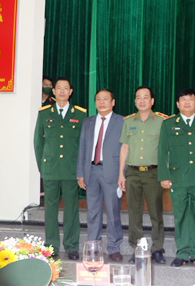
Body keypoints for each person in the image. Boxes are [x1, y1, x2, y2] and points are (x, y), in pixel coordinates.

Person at [158, 88, 195, 267]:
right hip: (178, 177)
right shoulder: (168, 124)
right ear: (177, 104)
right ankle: (182, 252)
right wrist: (164, 176)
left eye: (190, 99)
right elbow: (162, 151)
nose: (187, 102)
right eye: (183, 100)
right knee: (180, 216)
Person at [34, 77, 87, 260]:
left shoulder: (80, 114)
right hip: (51, 168)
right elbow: (38, 142)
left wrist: (81, 170)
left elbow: (83, 144)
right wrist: (42, 165)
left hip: (71, 169)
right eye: (59, 88)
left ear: (71, 91)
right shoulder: (44, 113)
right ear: (53, 92)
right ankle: (51, 246)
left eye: (66, 88)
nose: (62, 91)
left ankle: (72, 246)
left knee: (71, 209)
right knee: (50, 209)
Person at [117, 86, 168, 264]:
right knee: (134, 213)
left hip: (153, 173)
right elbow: (124, 147)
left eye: (146, 97)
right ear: (135, 101)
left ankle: (157, 248)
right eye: (138, 97)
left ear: (152, 101)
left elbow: (166, 149)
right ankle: (137, 247)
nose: (142, 100)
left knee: (156, 213)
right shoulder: (128, 121)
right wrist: (120, 174)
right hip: (132, 173)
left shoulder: (162, 122)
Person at [76, 89, 124, 262]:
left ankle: (114, 247)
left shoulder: (121, 121)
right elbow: (82, 148)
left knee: (113, 212)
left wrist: (122, 174)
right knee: (92, 212)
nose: (102, 102)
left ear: (113, 102)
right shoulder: (88, 122)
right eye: (98, 99)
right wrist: (80, 173)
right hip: (91, 171)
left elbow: (126, 149)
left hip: (111, 172)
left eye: (105, 99)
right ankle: (93, 247)